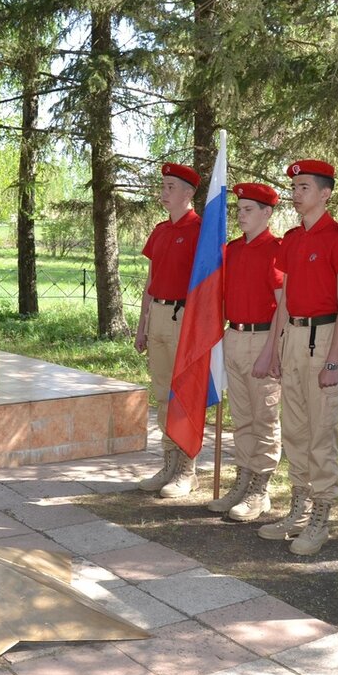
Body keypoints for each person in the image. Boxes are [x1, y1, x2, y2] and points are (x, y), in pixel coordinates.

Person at [260, 160, 338, 556]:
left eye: (304, 187)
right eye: (294, 187)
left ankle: (321, 515)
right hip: (294, 337)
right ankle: (298, 508)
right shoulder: (291, 239)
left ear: (324, 193)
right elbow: (283, 298)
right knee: (295, 428)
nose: (296, 193)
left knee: (321, 432)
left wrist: (335, 361)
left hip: (325, 339)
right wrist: (274, 346)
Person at [206, 182, 283, 522]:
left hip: (263, 339)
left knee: (264, 418)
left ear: (267, 213)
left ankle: (260, 490)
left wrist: (271, 351)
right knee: (242, 418)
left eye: (248, 209)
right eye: (238, 209)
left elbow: (284, 306)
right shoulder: (232, 250)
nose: (241, 215)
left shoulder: (277, 250)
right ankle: (243, 481)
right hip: (234, 336)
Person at [134, 163, 203, 498]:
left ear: (189, 193)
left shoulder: (200, 231)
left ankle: (187, 469)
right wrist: (142, 324)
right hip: (159, 314)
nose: (164, 192)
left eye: (171, 187)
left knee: (183, 394)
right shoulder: (160, 230)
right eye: (163, 186)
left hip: (184, 318)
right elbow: (151, 280)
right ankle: (169, 462)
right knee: (162, 393)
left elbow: (207, 285)